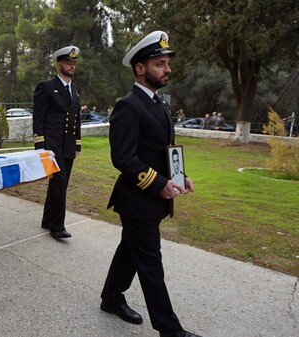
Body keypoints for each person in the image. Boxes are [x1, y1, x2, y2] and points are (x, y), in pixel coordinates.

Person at [100, 31, 200, 337]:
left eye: (167, 63)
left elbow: (162, 149)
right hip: (137, 200)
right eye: (160, 63)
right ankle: (171, 330)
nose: (167, 69)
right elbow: (124, 158)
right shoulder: (128, 106)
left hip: (153, 199)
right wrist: (159, 184)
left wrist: (180, 177)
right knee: (151, 267)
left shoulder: (159, 105)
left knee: (130, 250)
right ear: (140, 69)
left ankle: (111, 297)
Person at [32, 45, 81, 239]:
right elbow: (38, 118)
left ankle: (47, 218)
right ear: (59, 64)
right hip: (52, 144)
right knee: (59, 182)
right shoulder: (46, 87)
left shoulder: (75, 90)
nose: (72, 66)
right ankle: (57, 225)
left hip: (68, 144)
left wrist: (77, 144)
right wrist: (40, 145)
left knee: (61, 184)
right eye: (68, 62)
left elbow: (76, 119)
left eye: (74, 63)